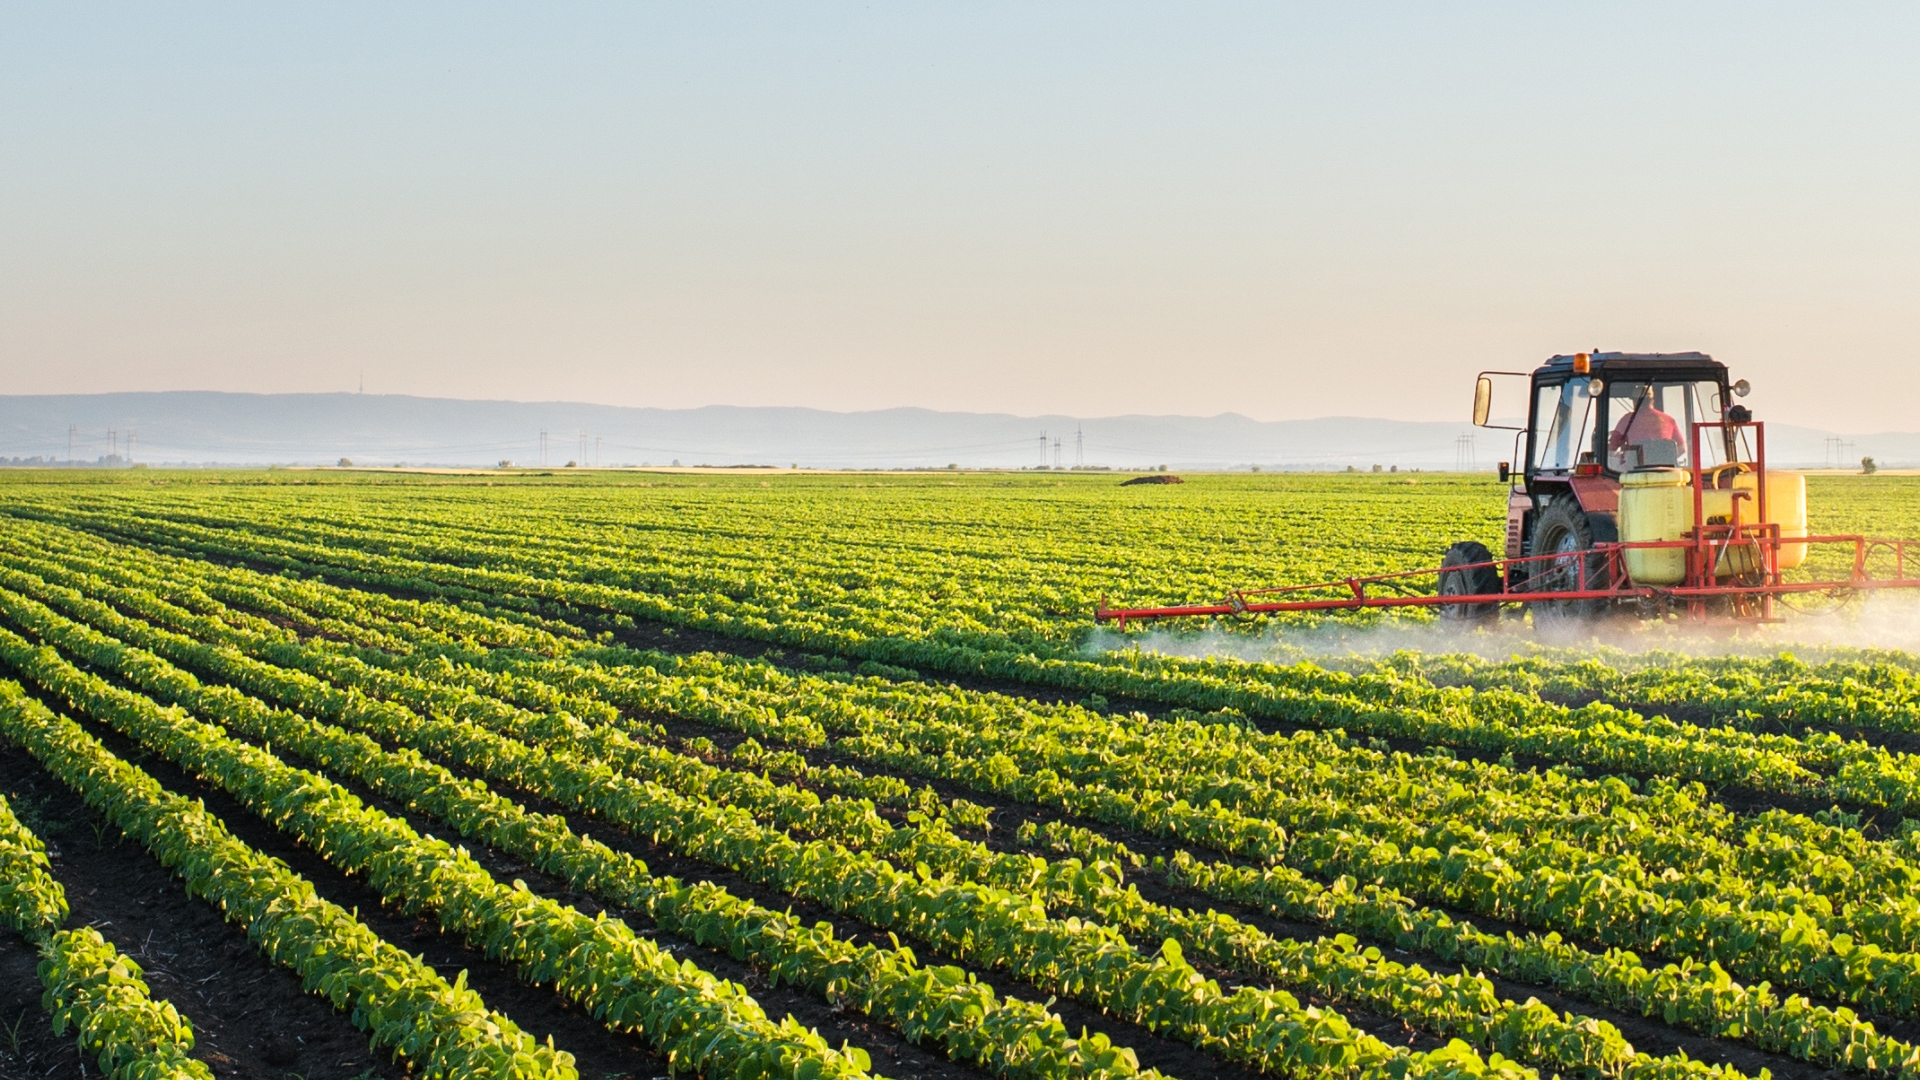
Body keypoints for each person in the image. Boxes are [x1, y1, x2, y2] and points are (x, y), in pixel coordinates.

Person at [1609, 386, 1682, 467]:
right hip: (1665, 470)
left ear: (1635, 401)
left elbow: (1612, 447)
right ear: (1652, 400)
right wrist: (1664, 459)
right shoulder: (1669, 419)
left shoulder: (1627, 419)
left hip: (1635, 470)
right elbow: (1682, 448)